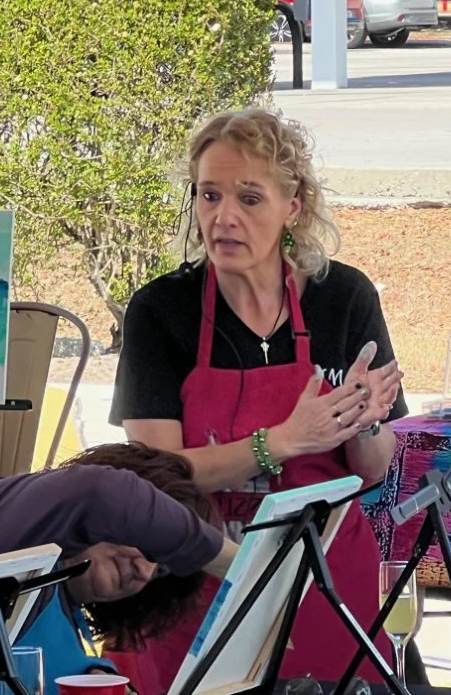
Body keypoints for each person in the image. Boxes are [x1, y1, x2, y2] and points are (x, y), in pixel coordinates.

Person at [109, 108, 407, 693]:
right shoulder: (160, 310)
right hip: (192, 577)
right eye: (209, 195)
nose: (223, 218)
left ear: (292, 206)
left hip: (321, 574)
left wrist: (367, 423)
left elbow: (371, 471)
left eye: (249, 198)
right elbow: (155, 474)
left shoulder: (342, 297)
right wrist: (279, 444)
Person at [0, 443, 236, 695]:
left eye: (161, 571)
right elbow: (101, 493)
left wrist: (96, 674)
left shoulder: (64, 599)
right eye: (150, 541)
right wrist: (240, 565)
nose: (146, 570)